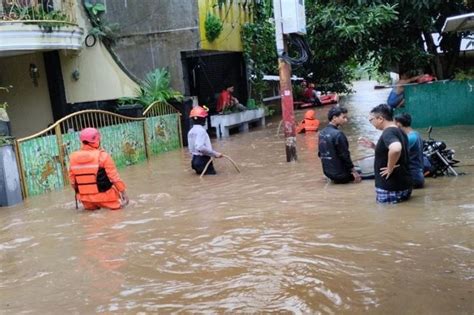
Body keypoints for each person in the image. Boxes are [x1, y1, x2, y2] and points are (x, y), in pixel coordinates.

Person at [359, 104, 412, 204]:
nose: (371, 123)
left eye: (371, 120)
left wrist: (389, 168)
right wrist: (374, 146)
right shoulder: (400, 131)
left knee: (386, 217)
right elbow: (397, 152)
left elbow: (396, 148)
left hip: (390, 187)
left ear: (380, 118)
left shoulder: (388, 132)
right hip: (404, 184)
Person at [69, 128, 129, 210]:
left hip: (86, 200)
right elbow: (114, 178)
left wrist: (83, 195)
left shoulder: (73, 158)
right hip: (106, 197)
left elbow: (73, 182)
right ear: (96, 140)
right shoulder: (103, 156)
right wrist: (124, 193)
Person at [318, 106, 361, 184]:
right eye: (343, 117)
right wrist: (355, 172)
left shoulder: (321, 133)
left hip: (328, 173)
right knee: (360, 173)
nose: (346, 120)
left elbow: (320, 154)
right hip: (341, 175)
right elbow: (345, 155)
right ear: (334, 117)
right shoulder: (338, 134)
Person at [187, 105, 223, 175]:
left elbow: (191, 149)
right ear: (202, 119)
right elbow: (200, 147)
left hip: (194, 161)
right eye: (205, 118)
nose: (206, 120)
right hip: (203, 160)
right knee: (213, 180)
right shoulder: (201, 131)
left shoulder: (191, 131)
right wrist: (215, 154)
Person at [394, 113, 425, 188]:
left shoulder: (409, 138)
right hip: (418, 175)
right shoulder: (416, 134)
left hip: (413, 177)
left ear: (398, 124)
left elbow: (395, 153)